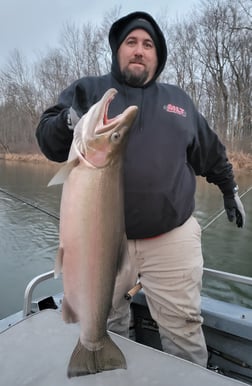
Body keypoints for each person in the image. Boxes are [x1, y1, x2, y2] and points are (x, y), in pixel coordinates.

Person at [36, 11, 246, 367]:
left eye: (148, 44)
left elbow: (210, 153)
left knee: (183, 329)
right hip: (101, 242)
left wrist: (229, 188)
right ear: (118, 50)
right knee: (108, 323)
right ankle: (107, 371)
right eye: (130, 42)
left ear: (157, 55)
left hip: (172, 239)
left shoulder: (179, 101)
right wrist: (66, 121)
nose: (139, 50)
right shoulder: (88, 90)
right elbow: (50, 142)